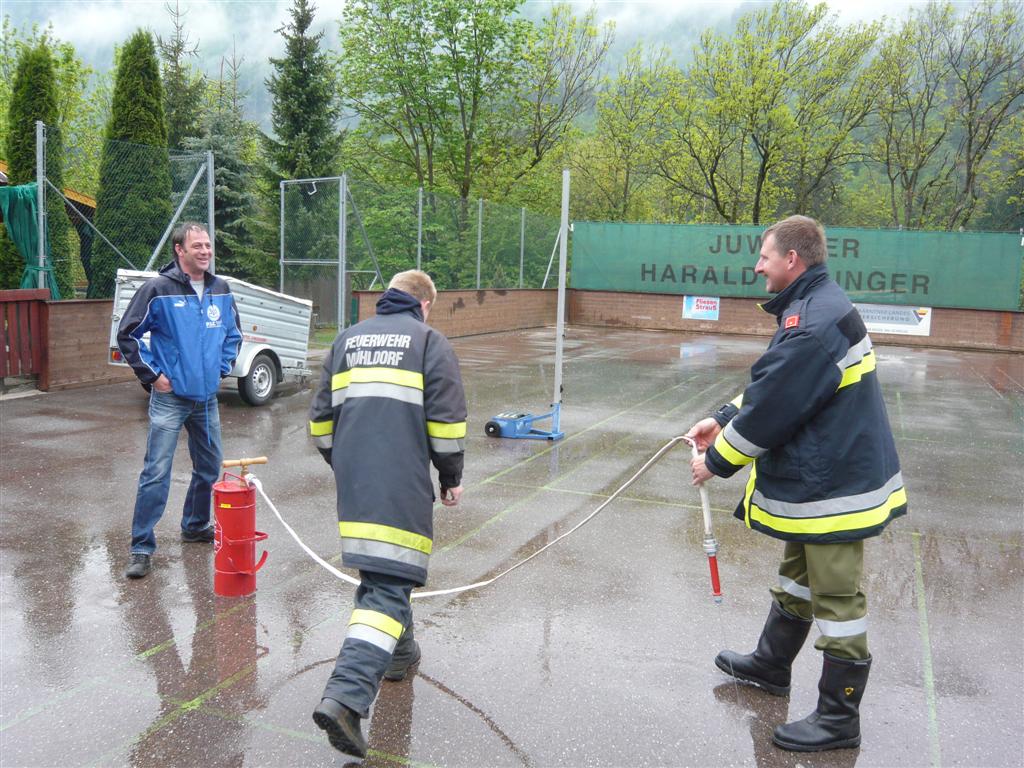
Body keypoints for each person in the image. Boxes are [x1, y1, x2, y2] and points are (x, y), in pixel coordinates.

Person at [685, 215, 906, 752]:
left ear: (792, 259)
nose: (757, 266)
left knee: (837, 600)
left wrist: (717, 460)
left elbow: (774, 409)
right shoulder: (811, 308)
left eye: (764, 256)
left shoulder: (811, 321)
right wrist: (723, 416)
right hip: (822, 482)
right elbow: (778, 386)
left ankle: (838, 718)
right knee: (799, 577)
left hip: (836, 488)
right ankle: (771, 664)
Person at [308, 269, 467, 758]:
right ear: (424, 305)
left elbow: (320, 423)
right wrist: (450, 478)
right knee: (388, 587)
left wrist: (348, 465)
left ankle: (400, 656)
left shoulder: (347, 340)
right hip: (401, 485)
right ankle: (346, 698)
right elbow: (447, 425)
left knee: (385, 574)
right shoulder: (429, 342)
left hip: (355, 484)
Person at [117, 222, 242, 580]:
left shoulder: (221, 289)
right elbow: (128, 335)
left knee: (209, 467)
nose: (205, 251)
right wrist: (153, 376)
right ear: (179, 250)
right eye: (197, 246)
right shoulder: (158, 289)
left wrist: (221, 369)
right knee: (156, 472)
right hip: (170, 399)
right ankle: (142, 547)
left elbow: (233, 334)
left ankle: (195, 525)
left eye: (208, 245)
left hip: (206, 399)